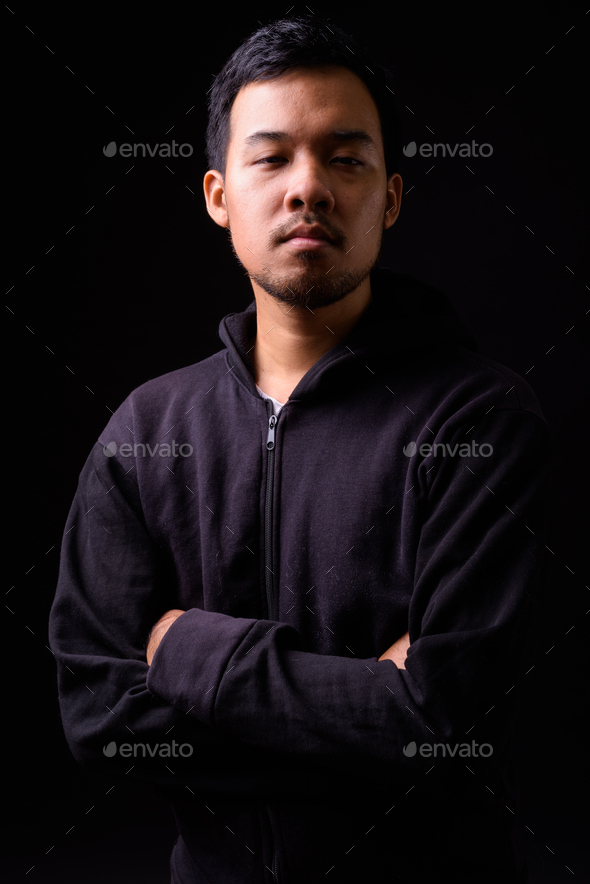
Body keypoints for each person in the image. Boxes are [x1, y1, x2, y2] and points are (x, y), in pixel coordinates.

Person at [49, 14, 553, 884]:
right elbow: (101, 721)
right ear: (218, 195)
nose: (308, 187)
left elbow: (446, 731)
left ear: (390, 196)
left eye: (345, 158)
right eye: (272, 157)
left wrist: (185, 651)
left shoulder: (481, 424)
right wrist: (372, 710)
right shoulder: (145, 433)